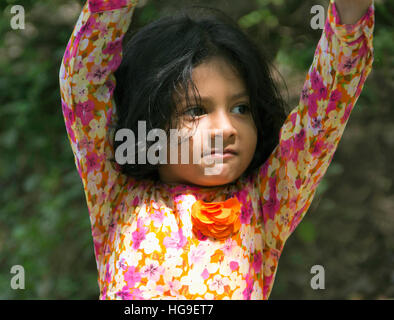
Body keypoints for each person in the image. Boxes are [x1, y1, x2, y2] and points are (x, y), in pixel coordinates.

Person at [58, 0, 374, 299]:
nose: (226, 128)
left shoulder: (268, 201)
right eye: (196, 111)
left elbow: (327, 106)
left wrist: (350, 14)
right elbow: (82, 84)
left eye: (241, 109)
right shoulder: (115, 193)